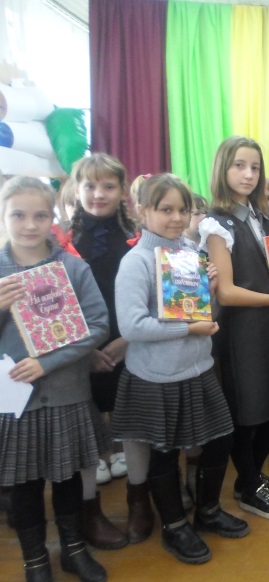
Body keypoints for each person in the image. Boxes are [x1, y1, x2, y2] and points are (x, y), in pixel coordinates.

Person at [113, 174, 248, 565]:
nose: (176, 218)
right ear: (143, 210)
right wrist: (188, 329)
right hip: (157, 377)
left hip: (198, 368)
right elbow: (132, 327)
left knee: (220, 439)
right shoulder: (136, 262)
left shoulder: (190, 252)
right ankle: (174, 526)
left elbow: (204, 314)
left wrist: (212, 292)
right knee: (164, 453)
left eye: (183, 210)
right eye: (165, 209)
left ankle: (208, 511)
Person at [0, 177, 111, 582]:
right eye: (18, 215)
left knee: (67, 477)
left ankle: (73, 549)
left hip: (66, 392)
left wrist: (48, 363)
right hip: (15, 399)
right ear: (3, 216)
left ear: (53, 217)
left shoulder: (72, 267)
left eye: (40, 215)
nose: (30, 225)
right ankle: (35, 560)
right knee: (25, 484)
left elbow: (98, 324)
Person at [200, 136, 269, 519]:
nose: (248, 174)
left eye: (255, 167)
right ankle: (248, 484)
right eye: (239, 165)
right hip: (242, 329)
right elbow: (226, 293)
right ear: (223, 169)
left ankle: (251, 476)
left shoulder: (260, 216)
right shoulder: (216, 223)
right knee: (249, 411)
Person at [70, 153, 137, 549]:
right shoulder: (63, 241)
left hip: (127, 334)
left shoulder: (135, 237)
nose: (99, 194)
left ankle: (122, 448)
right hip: (81, 344)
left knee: (123, 392)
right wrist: (86, 351)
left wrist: (127, 339)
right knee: (89, 398)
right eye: (90, 186)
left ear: (122, 191)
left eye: (108, 186)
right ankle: (97, 453)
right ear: (76, 190)